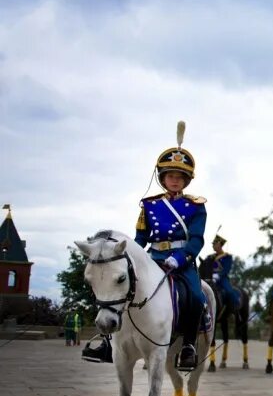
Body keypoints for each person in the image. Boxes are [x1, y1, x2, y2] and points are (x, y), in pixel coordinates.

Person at [83, 121, 208, 370]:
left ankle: (188, 346)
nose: (174, 180)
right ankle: (109, 342)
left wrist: (180, 258)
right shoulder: (149, 205)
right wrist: (129, 255)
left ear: (186, 180)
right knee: (121, 289)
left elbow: (196, 239)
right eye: (170, 176)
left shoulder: (196, 206)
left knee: (195, 297)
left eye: (179, 177)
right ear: (162, 178)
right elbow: (140, 238)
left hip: (180, 262)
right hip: (152, 258)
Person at [209, 233, 242, 311]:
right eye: (213, 244)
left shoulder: (227, 257)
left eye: (215, 244)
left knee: (229, 292)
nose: (213, 246)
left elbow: (226, 269)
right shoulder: (210, 257)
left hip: (222, 279)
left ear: (220, 245)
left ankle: (235, 309)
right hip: (210, 278)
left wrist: (218, 276)